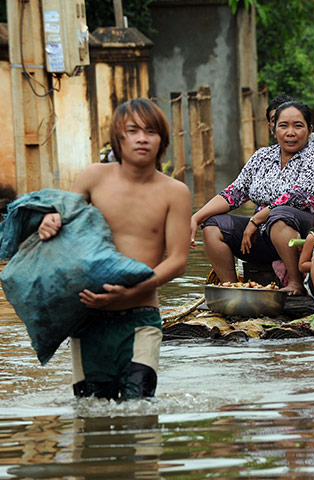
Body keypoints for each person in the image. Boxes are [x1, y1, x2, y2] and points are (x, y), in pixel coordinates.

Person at [37, 98, 192, 400]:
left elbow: (177, 261)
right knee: (91, 411)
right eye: (132, 130)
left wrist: (131, 293)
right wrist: (49, 220)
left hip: (140, 317)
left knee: (140, 407)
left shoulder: (175, 192)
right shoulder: (95, 177)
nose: (142, 138)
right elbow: (61, 217)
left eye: (151, 131)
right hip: (88, 318)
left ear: (162, 140)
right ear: (117, 138)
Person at [191, 101, 314, 295]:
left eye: (298, 126)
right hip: (266, 235)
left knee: (280, 215)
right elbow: (235, 192)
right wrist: (195, 218)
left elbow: (298, 197)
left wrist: (257, 219)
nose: (290, 132)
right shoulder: (262, 156)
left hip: (308, 237)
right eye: (283, 126)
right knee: (213, 225)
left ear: (310, 130)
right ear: (273, 129)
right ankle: (233, 289)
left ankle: (295, 283)